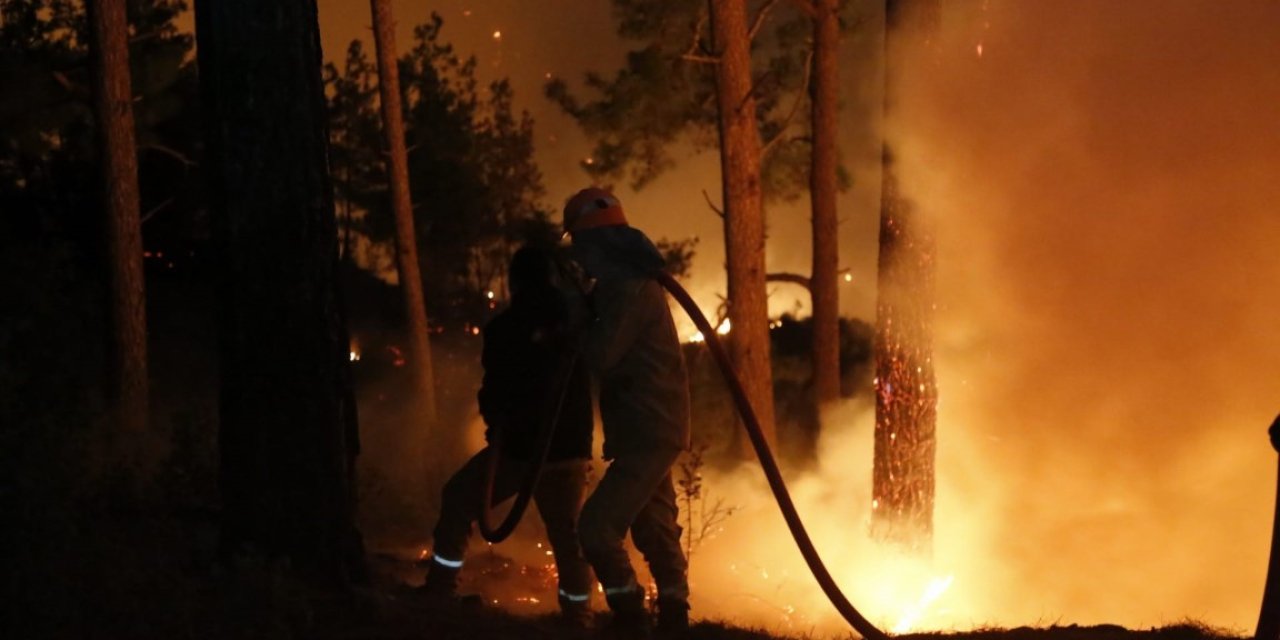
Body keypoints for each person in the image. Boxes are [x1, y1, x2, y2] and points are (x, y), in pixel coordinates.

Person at [420, 245, 596, 626]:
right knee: (568, 536)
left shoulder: (508, 327)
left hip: (520, 450)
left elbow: (496, 388)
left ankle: (439, 589)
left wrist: (495, 420)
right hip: (568, 450)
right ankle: (579, 614)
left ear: (515, 282)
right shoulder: (579, 322)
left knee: (459, 499)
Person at [561, 187, 692, 637]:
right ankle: (674, 615)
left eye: (580, 247)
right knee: (655, 527)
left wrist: (577, 314)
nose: (579, 258)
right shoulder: (627, 283)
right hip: (649, 426)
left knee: (597, 528)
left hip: (648, 427)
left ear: (595, 243)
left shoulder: (629, 288)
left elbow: (600, 355)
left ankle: (630, 616)